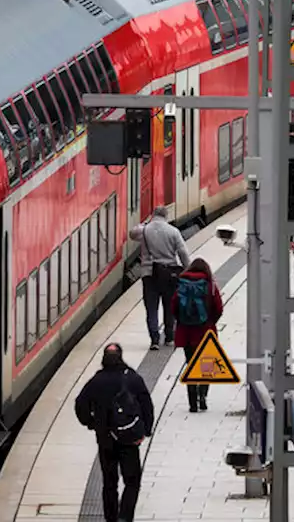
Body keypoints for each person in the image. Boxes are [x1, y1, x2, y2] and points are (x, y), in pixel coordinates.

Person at [75, 343, 154, 522]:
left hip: (105, 440)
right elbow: (147, 405)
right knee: (132, 481)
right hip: (129, 438)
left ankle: (111, 518)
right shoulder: (132, 378)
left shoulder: (96, 381)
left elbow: (80, 405)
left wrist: (92, 423)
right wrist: (145, 430)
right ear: (121, 357)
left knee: (109, 483)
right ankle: (125, 517)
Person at [129, 207, 190, 350]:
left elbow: (132, 234)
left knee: (151, 308)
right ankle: (169, 337)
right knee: (169, 306)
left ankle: (154, 340)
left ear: (153, 215)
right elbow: (183, 253)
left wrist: (144, 224)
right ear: (166, 216)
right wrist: (189, 270)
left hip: (149, 275)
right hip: (170, 275)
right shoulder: (173, 232)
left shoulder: (144, 230)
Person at [170, 258, 224, 413]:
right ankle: (203, 398)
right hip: (206, 332)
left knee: (191, 366)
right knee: (206, 367)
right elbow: (219, 308)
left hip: (186, 333)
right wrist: (210, 321)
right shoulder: (210, 285)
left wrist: (182, 321)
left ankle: (192, 403)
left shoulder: (182, 284)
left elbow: (174, 306)